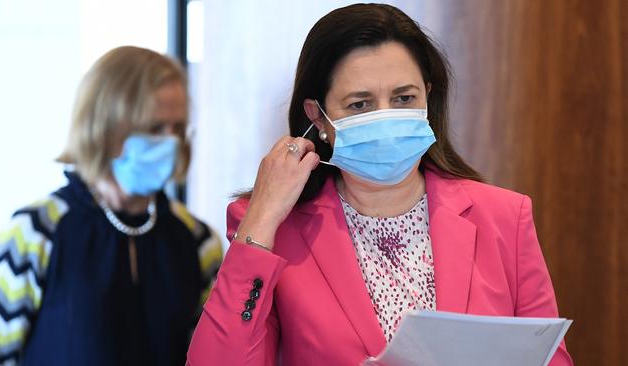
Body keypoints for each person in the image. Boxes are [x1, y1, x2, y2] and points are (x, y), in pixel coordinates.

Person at [186, 3, 573, 366]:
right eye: (360, 104)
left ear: (428, 98)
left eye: (404, 98)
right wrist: (261, 218)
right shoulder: (274, 228)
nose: (386, 118)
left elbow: (550, 358)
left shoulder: (505, 216)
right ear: (317, 118)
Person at [0, 46, 223, 365]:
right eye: (154, 128)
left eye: (177, 128)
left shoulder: (198, 240)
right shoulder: (36, 232)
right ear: (105, 128)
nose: (170, 142)